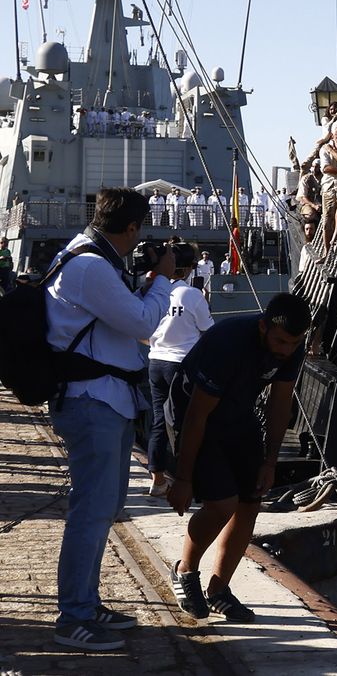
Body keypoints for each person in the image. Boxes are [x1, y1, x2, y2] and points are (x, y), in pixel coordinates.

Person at [46, 188, 177, 650]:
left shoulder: (91, 260)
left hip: (108, 401)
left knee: (103, 509)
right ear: (133, 228)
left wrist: (143, 285)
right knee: (91, 511)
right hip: (93, 402)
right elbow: (144, 325)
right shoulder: (90, 266)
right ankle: (73, 618)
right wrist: (162, 281)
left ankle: (86, 601)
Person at [165, 293, 311, 624]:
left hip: (238, 415)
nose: (285, 350)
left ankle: (219, 591)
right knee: (221, 503)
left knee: (251, 499)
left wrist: (270, 462)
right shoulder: (228, 343)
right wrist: (182, 477)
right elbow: (196, 415)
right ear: (263, 326)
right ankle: (185, 571)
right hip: (195, 416)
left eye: (293, 344)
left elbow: (280, 402)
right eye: (280, 342)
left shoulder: (292, 345)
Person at [145, 245, 212, 498]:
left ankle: (158, 479)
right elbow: (208, 332)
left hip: (155, 362)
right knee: (188, 423)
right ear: (190, 268)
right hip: (182, 365)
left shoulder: (155, 293)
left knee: (159, 421)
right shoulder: (192, 295)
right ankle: (189, 479)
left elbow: (144, 330)